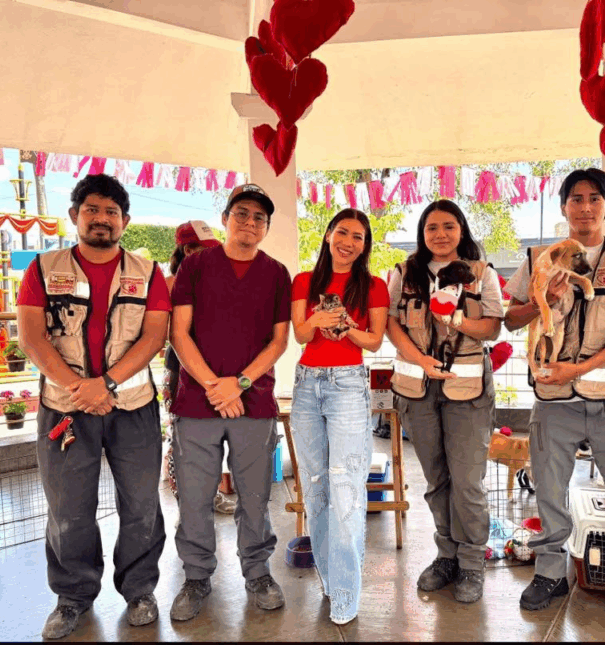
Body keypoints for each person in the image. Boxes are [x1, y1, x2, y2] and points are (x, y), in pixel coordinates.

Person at [504, 168, 605, 636]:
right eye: (576, 198)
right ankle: (550, 575)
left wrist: (581, 368)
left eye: (595, 198)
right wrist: (542, 299)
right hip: (553, 400)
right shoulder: (537, 257)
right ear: (564, 207)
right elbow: (511, 320)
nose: (585, 207)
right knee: (549, 493)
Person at [17, 173, 172, 639]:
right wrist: (80, 388)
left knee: (142, 505)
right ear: (75, 215)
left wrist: (105, 384)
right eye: (92, 210)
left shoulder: (148, 272)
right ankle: (72, 597)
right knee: (68, 509)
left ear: (125, 220)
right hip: (65, 409)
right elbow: (31, 337)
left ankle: (140, 590)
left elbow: (154, 336)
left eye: (111, 212)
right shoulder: (42, 269)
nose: (101, 219)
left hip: (133, 407)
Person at [168, 183, 291, 621]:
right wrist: (213, 386)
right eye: (241, 214)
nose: (249, 223)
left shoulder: (276, 273)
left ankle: (257, 572)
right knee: (194, 498)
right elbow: (178, 332)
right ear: (225, 219)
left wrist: (238, 384)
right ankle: (196, 576)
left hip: (252, 403)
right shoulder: (195, 266)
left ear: (266, 227)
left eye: (259, 217)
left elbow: (279, 341)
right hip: (196, 404)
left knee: (254, 497)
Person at [385, 199, 504, 603]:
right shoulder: (405, 272)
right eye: (431, 227)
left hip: (467, 392)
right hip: (417, 391)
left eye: (449, 226)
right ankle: (446, 556)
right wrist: (420, 360)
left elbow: (492, 328)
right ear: (422, 233)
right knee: (436, 480)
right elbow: (391, 323)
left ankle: (471, 563)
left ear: (461, 230)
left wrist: (456, 320)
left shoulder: (481, 273)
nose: (440, 234)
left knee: (467, 481)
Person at [290, 209, 389, 625]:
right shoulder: (304, 281)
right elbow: (300, 334)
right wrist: (316, 319)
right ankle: (331, 579)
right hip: (306, 384)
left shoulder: (374, 286)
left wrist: (347, 327)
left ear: (364, 246)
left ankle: (347, 592)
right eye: (343, 232)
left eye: (358, 237)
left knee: (346, 486)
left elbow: (374, 341)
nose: (349, 242)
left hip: (348, 383)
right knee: (315, 487)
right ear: (329, 234)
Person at [162, 221, 234, 514]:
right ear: (187, 250)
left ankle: (210, 494)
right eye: (201, 249)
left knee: (212, 438)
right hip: (181, 370)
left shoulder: (219, 280)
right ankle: (188, 506)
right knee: (182, 439)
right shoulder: (169, 284)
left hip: (216, 370)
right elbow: (167, 333)